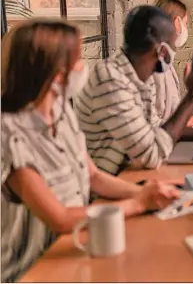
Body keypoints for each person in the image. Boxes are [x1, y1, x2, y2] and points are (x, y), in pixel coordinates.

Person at [1, 19, 181, 282]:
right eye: (78, 59)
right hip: (30, 269)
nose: (84, 66)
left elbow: (93, 176)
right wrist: (138, 202)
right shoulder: (10, 134)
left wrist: (147, 193)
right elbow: (60, 218)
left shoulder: (62, 113)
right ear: (56, 72)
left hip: (74, 246)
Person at [76, 5, 193, 175]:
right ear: (162, 51)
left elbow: (155, 130)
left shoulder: (139, 77)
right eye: (172, 45)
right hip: (111, 182)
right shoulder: (110, 80)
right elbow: (152, 155)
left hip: (129, 170)